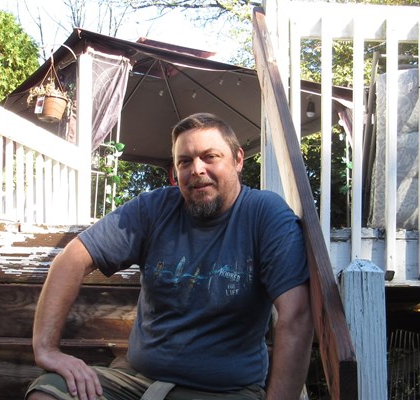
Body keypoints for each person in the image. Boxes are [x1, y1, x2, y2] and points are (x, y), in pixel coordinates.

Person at [26, 113, 313, 400]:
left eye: (210, 156)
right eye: (185, 161)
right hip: (135, 383)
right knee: (47, 394)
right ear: (175, 171)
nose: (197, 169)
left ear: (238, 160)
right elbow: (71, 259)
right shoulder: (153, 208)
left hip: (224, 392)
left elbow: (296, 315)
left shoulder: (265, 214)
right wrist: (47, 350)